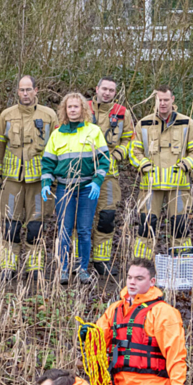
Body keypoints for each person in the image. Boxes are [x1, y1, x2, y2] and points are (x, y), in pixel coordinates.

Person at [89, 257, 187, 385]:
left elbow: (176, 354)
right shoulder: (115, 309)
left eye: (139, 278)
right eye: (130, 277)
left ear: (152, 282)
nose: (132, 282)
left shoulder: (163, 313)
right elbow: (98, 343)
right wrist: (89, 336)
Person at [0, 75, 59, 282]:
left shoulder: (49, 116)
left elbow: (57, 147)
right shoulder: (6, 115)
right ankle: (7, 266)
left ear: (36, 90)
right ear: (17, 92)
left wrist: (54, 176)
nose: (25, 94)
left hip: (40, 181)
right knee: (10, 226)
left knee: (35, 226)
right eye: (21, 90)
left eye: (28, 89)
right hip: (11, 180)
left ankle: (35, 267)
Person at [128, 85, 193, 259]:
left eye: (165, 100)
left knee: (180, 225)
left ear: (172, 100)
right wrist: (144, 165)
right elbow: (134, 151)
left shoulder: (187, 123)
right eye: (159, 100)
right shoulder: (144, 124)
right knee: (146, 225)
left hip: (178, 185)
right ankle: (142, 262)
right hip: (150, 186)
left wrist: (186, 164)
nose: (162, 104)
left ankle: (182, 261)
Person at [41, 93, 109, 285]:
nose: (72, 110)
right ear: (64, 110)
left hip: (88, 188)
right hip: (64, 188)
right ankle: (63, 268)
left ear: (83, 109)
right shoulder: (57, 134)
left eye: (76, 107)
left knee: (84, 230)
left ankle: (82, 269)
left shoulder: (93, 131)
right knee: (64, 229)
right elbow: (47, 162)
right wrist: (46, 183)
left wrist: (97, 181)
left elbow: (104, 160)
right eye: (69, 107)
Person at [87, 77, 136, 276]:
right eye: (104, 89)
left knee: (106, 217)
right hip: (81, 172)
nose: (107, 93)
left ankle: (101, 260)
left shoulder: (122, 113)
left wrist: (117, 155)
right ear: (97, 89)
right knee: (78, 220)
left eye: (111, 90)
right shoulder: (83, 107)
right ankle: (75, 260)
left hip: (109, 174)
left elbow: (130, 138)